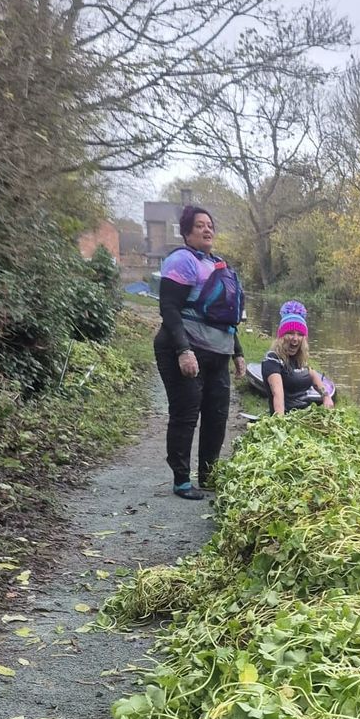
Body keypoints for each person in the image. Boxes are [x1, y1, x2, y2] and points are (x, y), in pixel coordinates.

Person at [155, 205, 247, 500]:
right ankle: (181, 479)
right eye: (199, 226)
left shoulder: (221, 265)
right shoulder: (181, 262)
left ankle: (208, 474)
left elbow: (228, 317)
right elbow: (169, 308)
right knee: (186, 412)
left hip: (218, 354)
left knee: (217, 414)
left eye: (210, 226)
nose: (207, 230)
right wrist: (183, 350)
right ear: (186, 232)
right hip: (185, 350)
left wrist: (238, 352)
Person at [260, 302, 334, 415]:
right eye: (290, 333)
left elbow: (313, 375)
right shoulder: (272, 360)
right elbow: (277, 394)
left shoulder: (299, 359)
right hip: (288, 419)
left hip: (306, 416)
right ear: (281, 336)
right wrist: (281, 425)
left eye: (299, 334)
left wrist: (326, 396)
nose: (295, 339)